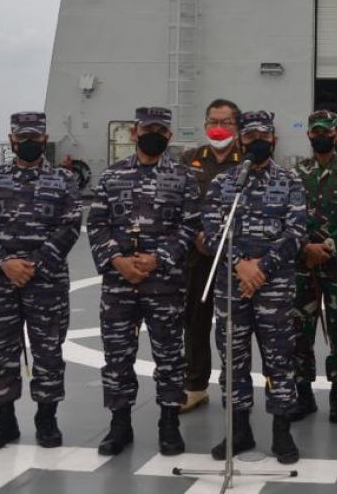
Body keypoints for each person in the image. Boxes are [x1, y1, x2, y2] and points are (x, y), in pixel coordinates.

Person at [86, 106, 201, 456]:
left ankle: (169, 424)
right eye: (148, 128)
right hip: (120, 284)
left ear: (169, 135)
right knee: (118, 355)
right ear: (135, 133)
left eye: (161, 130)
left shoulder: (184, 177)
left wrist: (157, 258)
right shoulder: (111, 176)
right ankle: (120, 424)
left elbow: (190, 225)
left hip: (164, 283)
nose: (155, 135)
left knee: (169, 355)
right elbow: (97, 224)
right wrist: (117, 260)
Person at [0, 112, 82, 451]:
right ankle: (4, 422)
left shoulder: (64, 182)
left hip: (45, 281)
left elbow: (71, 226)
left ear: (44, 138)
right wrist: (5, 263)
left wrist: (33, 264)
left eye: (35, 136)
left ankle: (46, 421)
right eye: (23, 137)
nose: (29, 143)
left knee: (48, 351)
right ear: (12, 140)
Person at [202, 111, 306, 463]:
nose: (256, 142)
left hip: (274, 285)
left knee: (279, 358)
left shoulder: (291, 181)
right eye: (249, 137)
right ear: (240, 141)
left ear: (273, 139)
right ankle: (239, 430)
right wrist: (240, 266)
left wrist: (261, 268)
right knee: (233, 360)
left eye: (263, 135)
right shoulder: (224, 183)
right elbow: (213, 232)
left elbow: (296, 233)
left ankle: (281, 432)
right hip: (232, 286)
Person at [291, 109, 337, 425]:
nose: (321, 136)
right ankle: (303, 392)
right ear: (309, 134)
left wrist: (329, 247)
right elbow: (286, 217)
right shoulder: (294, 174)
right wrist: (305, 247)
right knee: (299, 330)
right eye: (315, 130)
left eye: (327, 131)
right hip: (302, 264)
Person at [179, 98, 244, 413]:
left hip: (235, 257)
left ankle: (235, 390)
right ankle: (195, 386)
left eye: (226, 122)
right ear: (205, 125)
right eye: (213, 121)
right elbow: (176, 205)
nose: (219, 128)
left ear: (237, 126)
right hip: (198, 255)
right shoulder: (188, 160)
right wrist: (196, 236)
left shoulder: (247, 160)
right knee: (195, 321)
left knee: (238, 324)